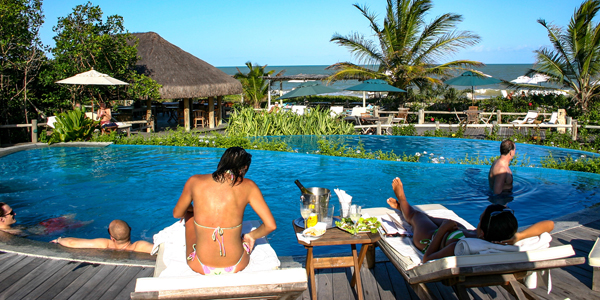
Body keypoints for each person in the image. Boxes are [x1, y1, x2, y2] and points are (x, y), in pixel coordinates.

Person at [386, 177, 554, 262]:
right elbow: (550, 224)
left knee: (418, 216)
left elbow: (428, 259)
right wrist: (520, 236)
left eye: (479, 220)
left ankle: (403, 200)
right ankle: (403, 207)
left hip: (432, 239)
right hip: (457, 231)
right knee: (429, 217)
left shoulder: (460, 247)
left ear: (482, 232)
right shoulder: (504, 240)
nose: (478, 220)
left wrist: (443, 230)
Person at [173, 147, 276, 275]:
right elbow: (270, 225)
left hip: (200, 264)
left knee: (189, 214)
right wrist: (251, 235)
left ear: (221, 162)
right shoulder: (249, 186)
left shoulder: (195, 181)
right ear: (244, 168)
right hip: (238, 263)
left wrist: (192, 210)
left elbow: (177, 213)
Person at [50, 220, 153, 253]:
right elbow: (162, 250)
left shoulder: (106, 244)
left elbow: (72, 243)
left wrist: (59, 239)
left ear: (111, 237)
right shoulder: (139, 246)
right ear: (130, 230)